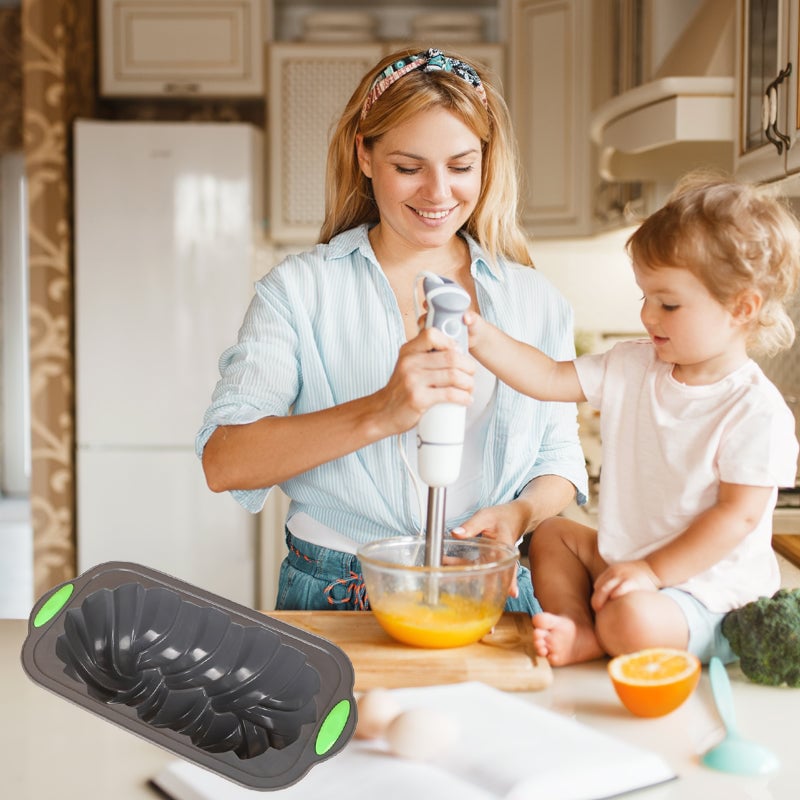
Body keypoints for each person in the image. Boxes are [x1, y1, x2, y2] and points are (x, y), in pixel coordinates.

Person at [196, 47, 588, 612]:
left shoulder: (533, 299)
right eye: (409, 168)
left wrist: (519, 515)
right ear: (365, 155)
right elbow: (224, 462)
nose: (437, 193)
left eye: (460, 167)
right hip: (335, 589)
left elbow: (560, 457)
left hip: (488, 586)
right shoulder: (301, 291)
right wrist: (383, 410)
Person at [463, 172, 800, 665]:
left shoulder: (756, 410)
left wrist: (652, 572)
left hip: (706, 595)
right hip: (630, 568)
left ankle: (603, 637)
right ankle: (578, 626)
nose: (648, 315)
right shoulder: (633, 365)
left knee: (632, 618)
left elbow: (736, 517)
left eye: (668, 303)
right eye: (645, 297)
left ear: (741, 308)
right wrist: (478, 335)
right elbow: (550, 377)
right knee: (554, 534)